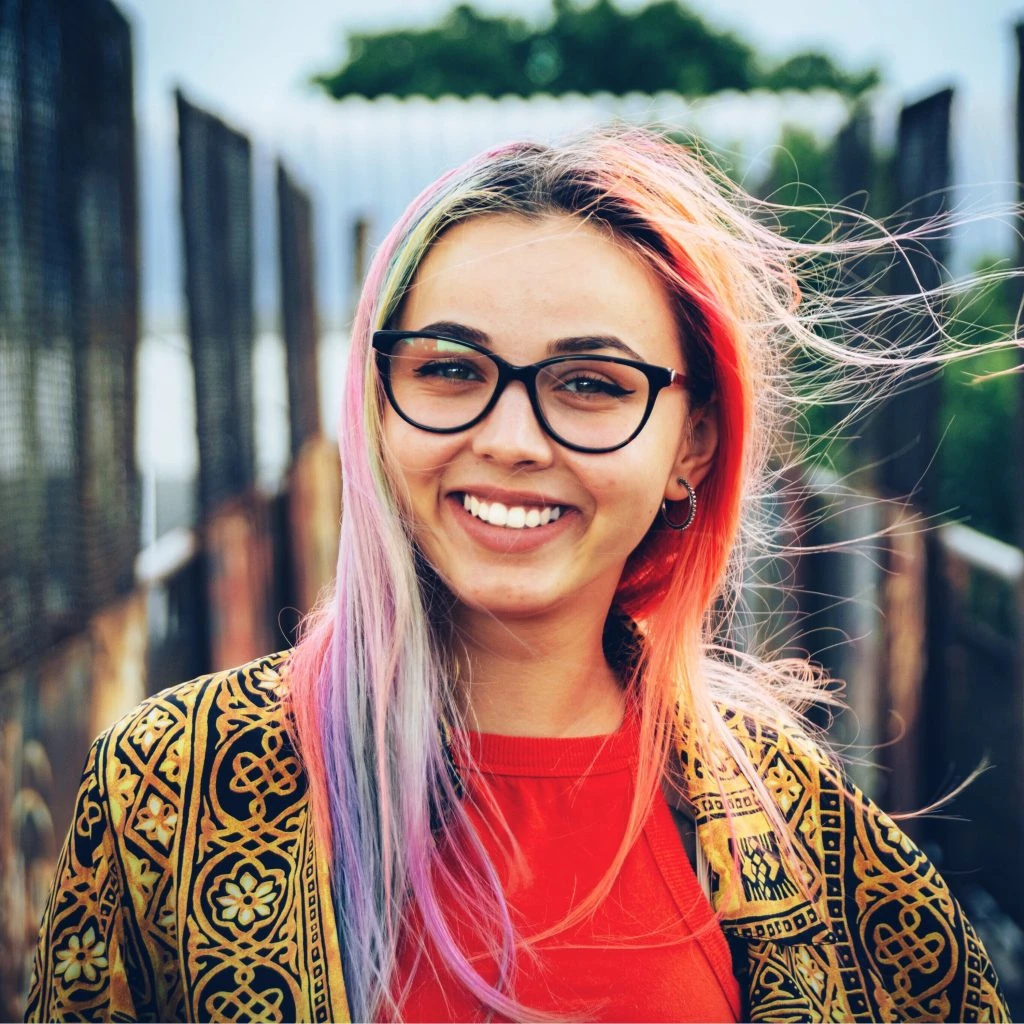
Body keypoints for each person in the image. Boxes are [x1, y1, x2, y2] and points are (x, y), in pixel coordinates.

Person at [27, 128, 1009, 1023]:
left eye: (590, 385)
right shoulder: (165, 786)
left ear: (691, 448)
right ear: (377, 405)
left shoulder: (798, 818)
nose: (509, 439)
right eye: (449, 369)